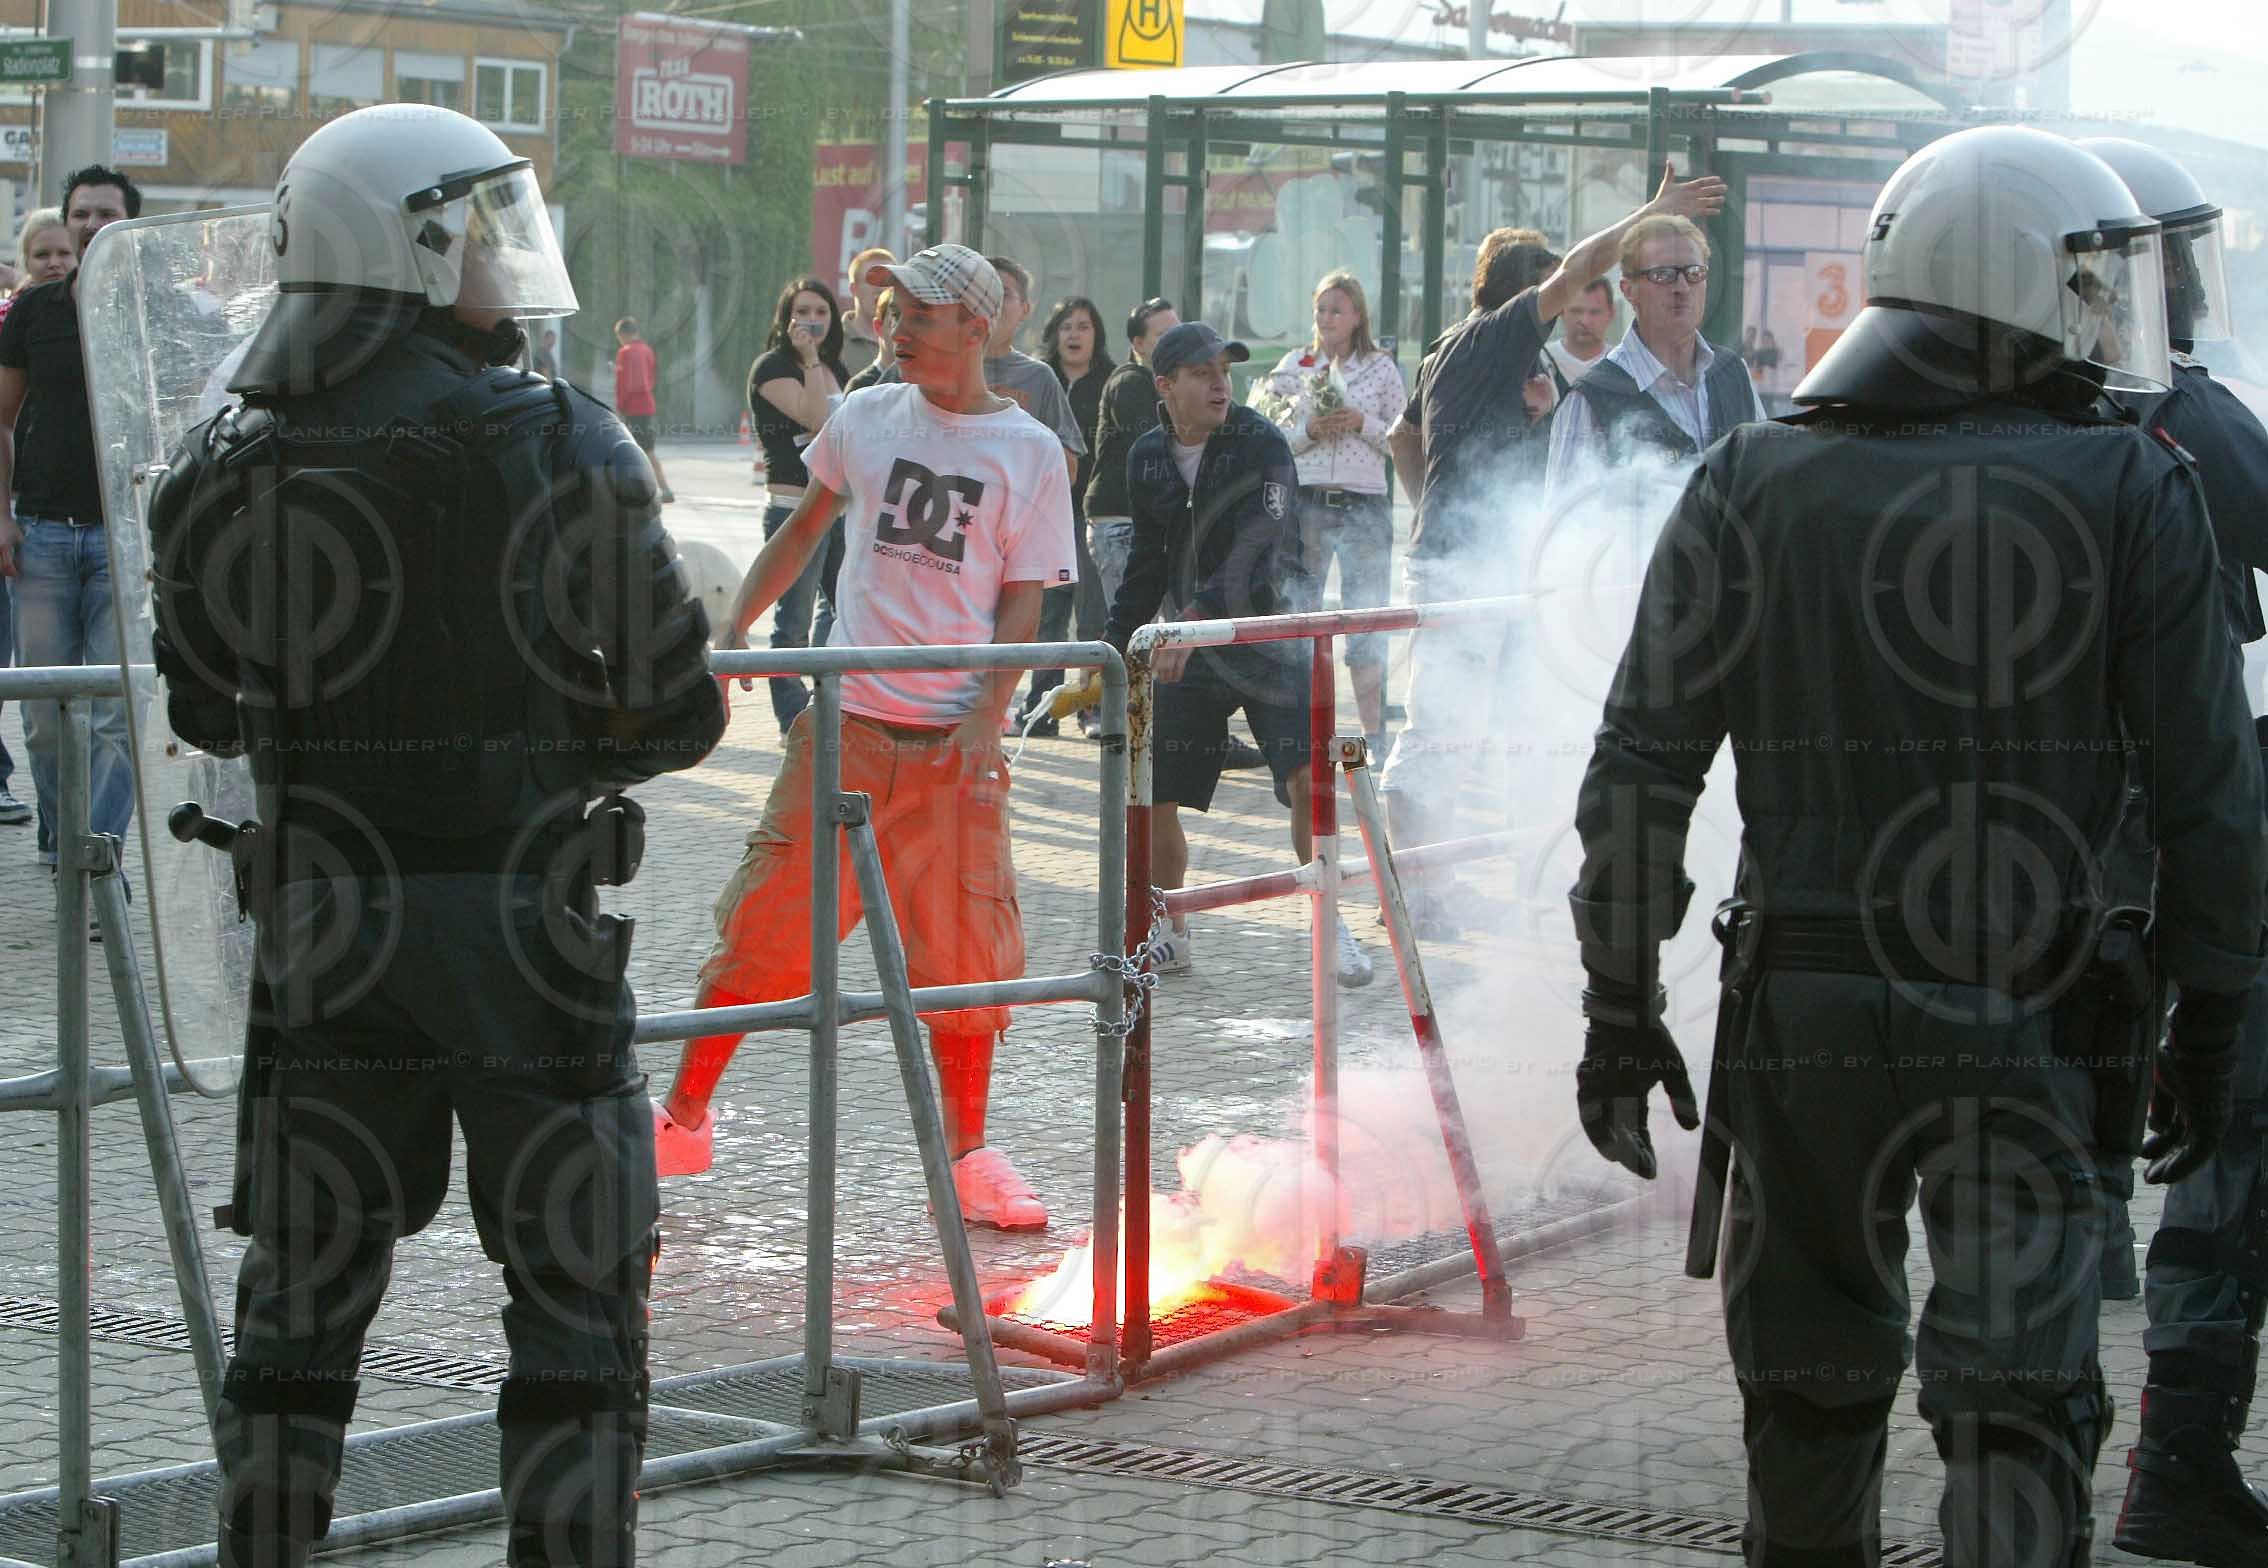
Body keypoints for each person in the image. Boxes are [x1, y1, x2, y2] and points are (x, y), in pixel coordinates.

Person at [1569, 126, 2264, 1568]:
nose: (2107, 319)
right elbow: (2211, 799)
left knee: (1805, 1408)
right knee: (2017, 1422)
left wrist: (1619, 1009)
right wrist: (2215, 1017)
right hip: (2030, 1008)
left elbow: (1639, 771)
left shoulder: (1748, 480)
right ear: (2014, 283)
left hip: (1806, 1020)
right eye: (2084, 284)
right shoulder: (2134, 487)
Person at [145, 104, 725, 1568]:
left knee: (304, 1295)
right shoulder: (557, 437)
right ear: (401, 242)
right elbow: (678, 714)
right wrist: (546, 736)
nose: (499, 252)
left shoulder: (216, 455)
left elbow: (206, 712)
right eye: (471, 225)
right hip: (524, 927)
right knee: (578, 1295)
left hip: (327, 929)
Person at [655, 244, 1077, 1232]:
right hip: (844, 733)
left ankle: (970, 1154)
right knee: (763, 927)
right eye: (888, 311)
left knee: (968, 958)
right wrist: (732, 628)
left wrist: (986, 713)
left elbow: (1026, 599)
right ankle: (681, 1113)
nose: (892, 328)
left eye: (916, 314)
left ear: (977, 326)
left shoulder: (1030, 451)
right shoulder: (866, 417)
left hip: (951, 753)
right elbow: (803, 531)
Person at [2080, 135, 2268, 1566]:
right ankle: (2173, 1464)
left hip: (2022, 865)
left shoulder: (1924, 426)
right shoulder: (2189, 423)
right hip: (2186, 849)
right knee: (2226, 1157)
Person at [1378, 170, 1727, 935]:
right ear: (1521, 294)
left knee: (1504, 727)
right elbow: (1580, 268)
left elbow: (1405, 438)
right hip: (1468, 569)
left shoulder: (1459, 353)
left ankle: (1472, 882)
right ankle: (1414, 891)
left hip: (1483, 563)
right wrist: (1654, 212)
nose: (1573, 299)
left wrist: (1435, 516)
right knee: (1440, 732)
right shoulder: (1491, 335)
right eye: (1553, 291)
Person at [1103, 320, 1374, 987]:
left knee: (1307, 784)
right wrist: (1112, 651)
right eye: (1201, 373)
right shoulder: (1144, 456)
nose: (1220, 383)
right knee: (1156, 792)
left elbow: (1259, 542)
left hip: (1271, 637)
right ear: (1164, 386)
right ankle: (1171, 932)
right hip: (1189, 651)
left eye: (1225, 370)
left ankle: (1329, 922)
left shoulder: (1260, 441)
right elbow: (1146, 559)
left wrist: (1192, 621)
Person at [0, 167, 140, 893]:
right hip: (45, 536)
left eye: (105, 212)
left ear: (128, 223)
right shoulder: (34, 311)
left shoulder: (156, 306)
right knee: (48, 721)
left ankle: (98, 861)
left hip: (125, 539)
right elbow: (0, 418)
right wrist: (1, 515)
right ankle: (64, 841)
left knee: (116, 717)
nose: (89, 224)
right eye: (80, 213)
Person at [1256, 270, 1405, 760]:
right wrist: (1310, 430)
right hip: (1311, 500)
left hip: (1364, 501)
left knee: (1365, 615)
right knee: (1303, 613)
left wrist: (1363, 423)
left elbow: (1402, 436)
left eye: (1337, 310)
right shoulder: (1296, 364)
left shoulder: (1380, 368)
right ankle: (1305, 732)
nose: (1327, 318)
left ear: (1358, 315)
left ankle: (1372, 734)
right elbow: (1272, 430)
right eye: (1321, 309)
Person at [1542, 210, 1767, 505]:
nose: (1682, 288)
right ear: (1628, 290)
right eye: (1663, 275)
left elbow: (1764, 486)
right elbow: (1563, 527)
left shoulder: (1732, 373)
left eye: (1694, 273)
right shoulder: (1590, 399)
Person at [746, 277, 852, 736]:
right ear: (786, 318)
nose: (813, 320)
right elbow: (816, 420)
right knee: (792, 622)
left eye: (822, 312)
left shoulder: (836, 369)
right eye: (803, 311)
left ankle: (831, 707)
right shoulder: (773, 367)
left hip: (839, 508)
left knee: (847, 610)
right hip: (793, 506)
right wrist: (808, 358)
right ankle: (793, 720)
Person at [0, 206, 71, 832]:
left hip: (73, 523)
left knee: (105, 710)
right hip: (29, 518)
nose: (53, 264)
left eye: (61, 253)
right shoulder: (16, 317)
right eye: (41, 254)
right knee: (33, 690)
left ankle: (87, 846)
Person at [1016, 295, 1114, 737]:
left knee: (1092, 612)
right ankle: (1041, 706)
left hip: (1090, 512)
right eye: (1067, 326)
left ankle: (1091, 706)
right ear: (1054, 334)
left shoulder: (1110, 381)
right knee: (1048, 614)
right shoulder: (1037, 380)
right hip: (1042, 513)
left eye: (1084, 326)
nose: (1075, 335)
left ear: (1098, 336)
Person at [1086, 296, 1177, 614]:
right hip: (1121, 523)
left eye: (1177, 331)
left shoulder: (1167, 386)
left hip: (1151, 523)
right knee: (1134, 629)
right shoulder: (1130, 383)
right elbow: (1157, 447)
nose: (1175, 342)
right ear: (1139, 343)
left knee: (1169, 631)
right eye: (1164, 335)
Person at [612, 316, 673, 503]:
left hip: (632, 407)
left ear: (623, 334)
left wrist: (620, 407)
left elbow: (623, 384)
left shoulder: (625, 352)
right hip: (647, 404)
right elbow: (652, 379)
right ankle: (662, 488)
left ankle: (656, 489)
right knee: (646, 447)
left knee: (634, 449)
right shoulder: (647, 351)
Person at [1543, 277, 1615, 392]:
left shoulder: (1623, 365)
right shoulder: (1542, 361)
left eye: (1595, 312)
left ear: (1611, 314)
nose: (1585, 321)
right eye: (1576, 311)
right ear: (1561, 311)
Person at [839, 245, 893, 380]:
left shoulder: (908, 340)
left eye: (889, 280)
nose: (881, 288)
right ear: (853, 289)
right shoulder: (834, 340)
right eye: (872, 280)